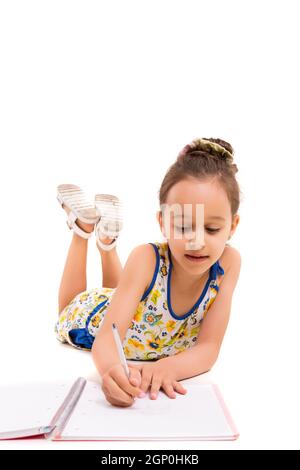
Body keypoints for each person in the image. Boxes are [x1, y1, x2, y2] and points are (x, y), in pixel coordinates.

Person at [55, 137, 242, 408]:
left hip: (132, 307)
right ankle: (82, 231)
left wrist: (169, 367)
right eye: (182, 227)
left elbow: (209, 348)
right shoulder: (145, 257)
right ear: (162, 222)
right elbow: (108, 337)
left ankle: (107, 242)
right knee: (67, 308)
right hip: (94, 314)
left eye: (212, 229)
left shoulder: (229, 264)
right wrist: (110, 369)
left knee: (122, 292)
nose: (196, 242)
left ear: (233, 226)